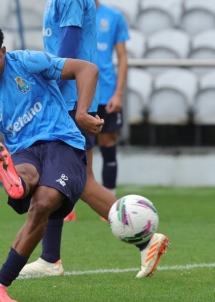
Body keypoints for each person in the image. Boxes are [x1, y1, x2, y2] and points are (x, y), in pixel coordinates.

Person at [19, 0, 169, 279]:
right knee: (79, 182)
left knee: (69, 179)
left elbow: (68, 49)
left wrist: (48, 86)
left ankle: (144, 240)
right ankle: (51, 258)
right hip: (71, 97)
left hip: (68, 99)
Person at [0, 22, 103, 302]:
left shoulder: (27, 62)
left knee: (43, 202)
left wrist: (82, 112)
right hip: (24, 151)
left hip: (62, 141)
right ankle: (17, 183)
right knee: (24, 173)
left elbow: (87, 69)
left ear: (4, 51)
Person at [95, 0, 130, 199]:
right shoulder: (71, 15)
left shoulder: (114, 16)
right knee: (77, 147)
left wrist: (118, 94)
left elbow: (123, 57)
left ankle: (110, 200)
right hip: (79, 93)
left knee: (108, 143)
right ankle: (68, 206)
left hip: (107, 92)